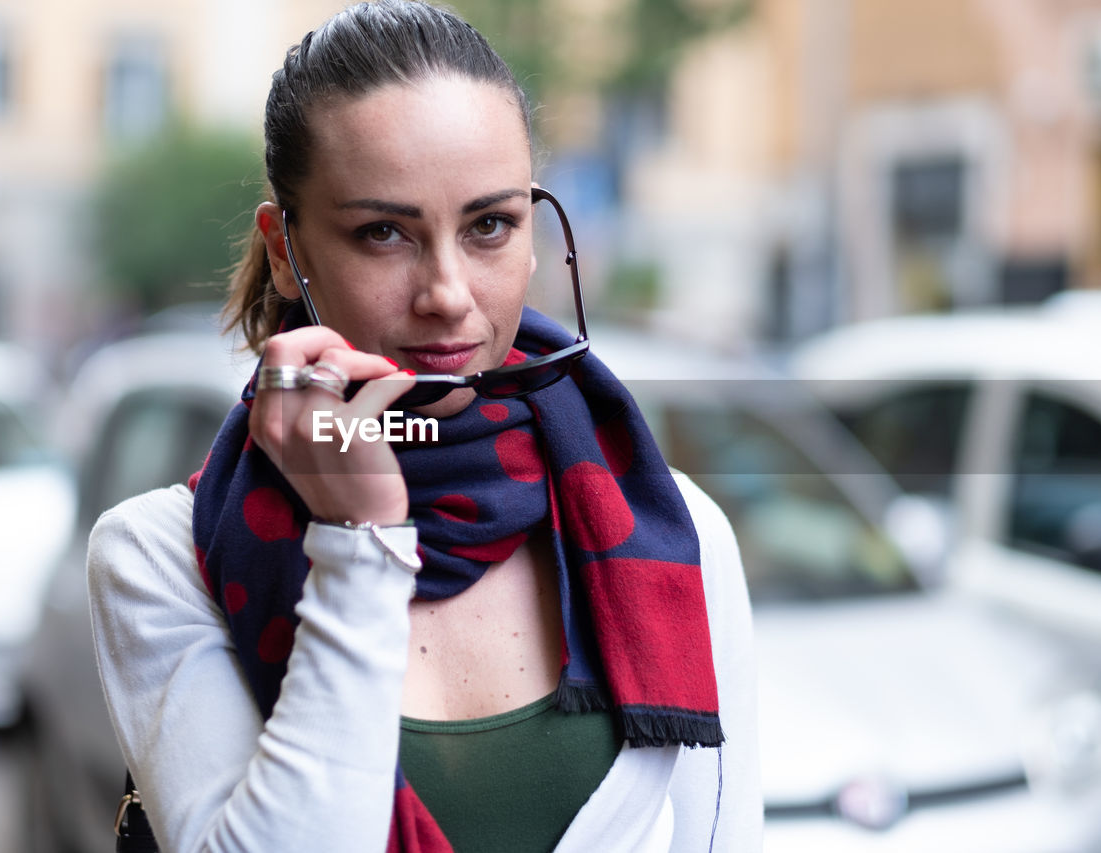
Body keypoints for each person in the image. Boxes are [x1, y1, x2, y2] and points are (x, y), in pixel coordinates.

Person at [87, 1, 762, 850]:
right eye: (383, 233)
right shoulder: (157, 556)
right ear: (287, 250)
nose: (446, 292)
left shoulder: (671, 532)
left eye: (489, 225)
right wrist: (358, 535)